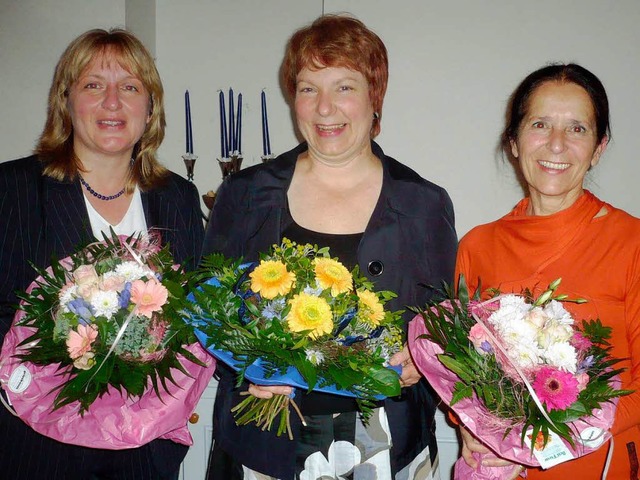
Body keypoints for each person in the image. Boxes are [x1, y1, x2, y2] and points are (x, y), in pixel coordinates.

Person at [202, 14, 457, 480]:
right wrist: (243, 374)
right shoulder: (244, 195)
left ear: (373, 97)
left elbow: (441, 322)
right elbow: (210, 311)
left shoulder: (423, 203)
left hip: (385, 440)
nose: (324, 108)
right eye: (307, 88)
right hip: (264, 439)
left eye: (344, 87)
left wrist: (420, 359)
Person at [0, 28, 204, 479]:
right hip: (36, 444)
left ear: (150, 108)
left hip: (144, 451)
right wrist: (15, 389)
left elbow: (195, 318)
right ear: (66, 101)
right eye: (94, 85)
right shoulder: (12, 190)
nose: (112, 103)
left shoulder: (178, 197)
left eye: (130, 87)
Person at [455, 63, 640, 479]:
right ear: (514, 141)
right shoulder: (477, 247)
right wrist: (467, 426)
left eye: (577, 129)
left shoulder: (631, 243)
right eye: (540, 124)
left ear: (598, 147)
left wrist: (548, 445)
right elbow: (460, 370)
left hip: (600, 467)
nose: (556, 145)